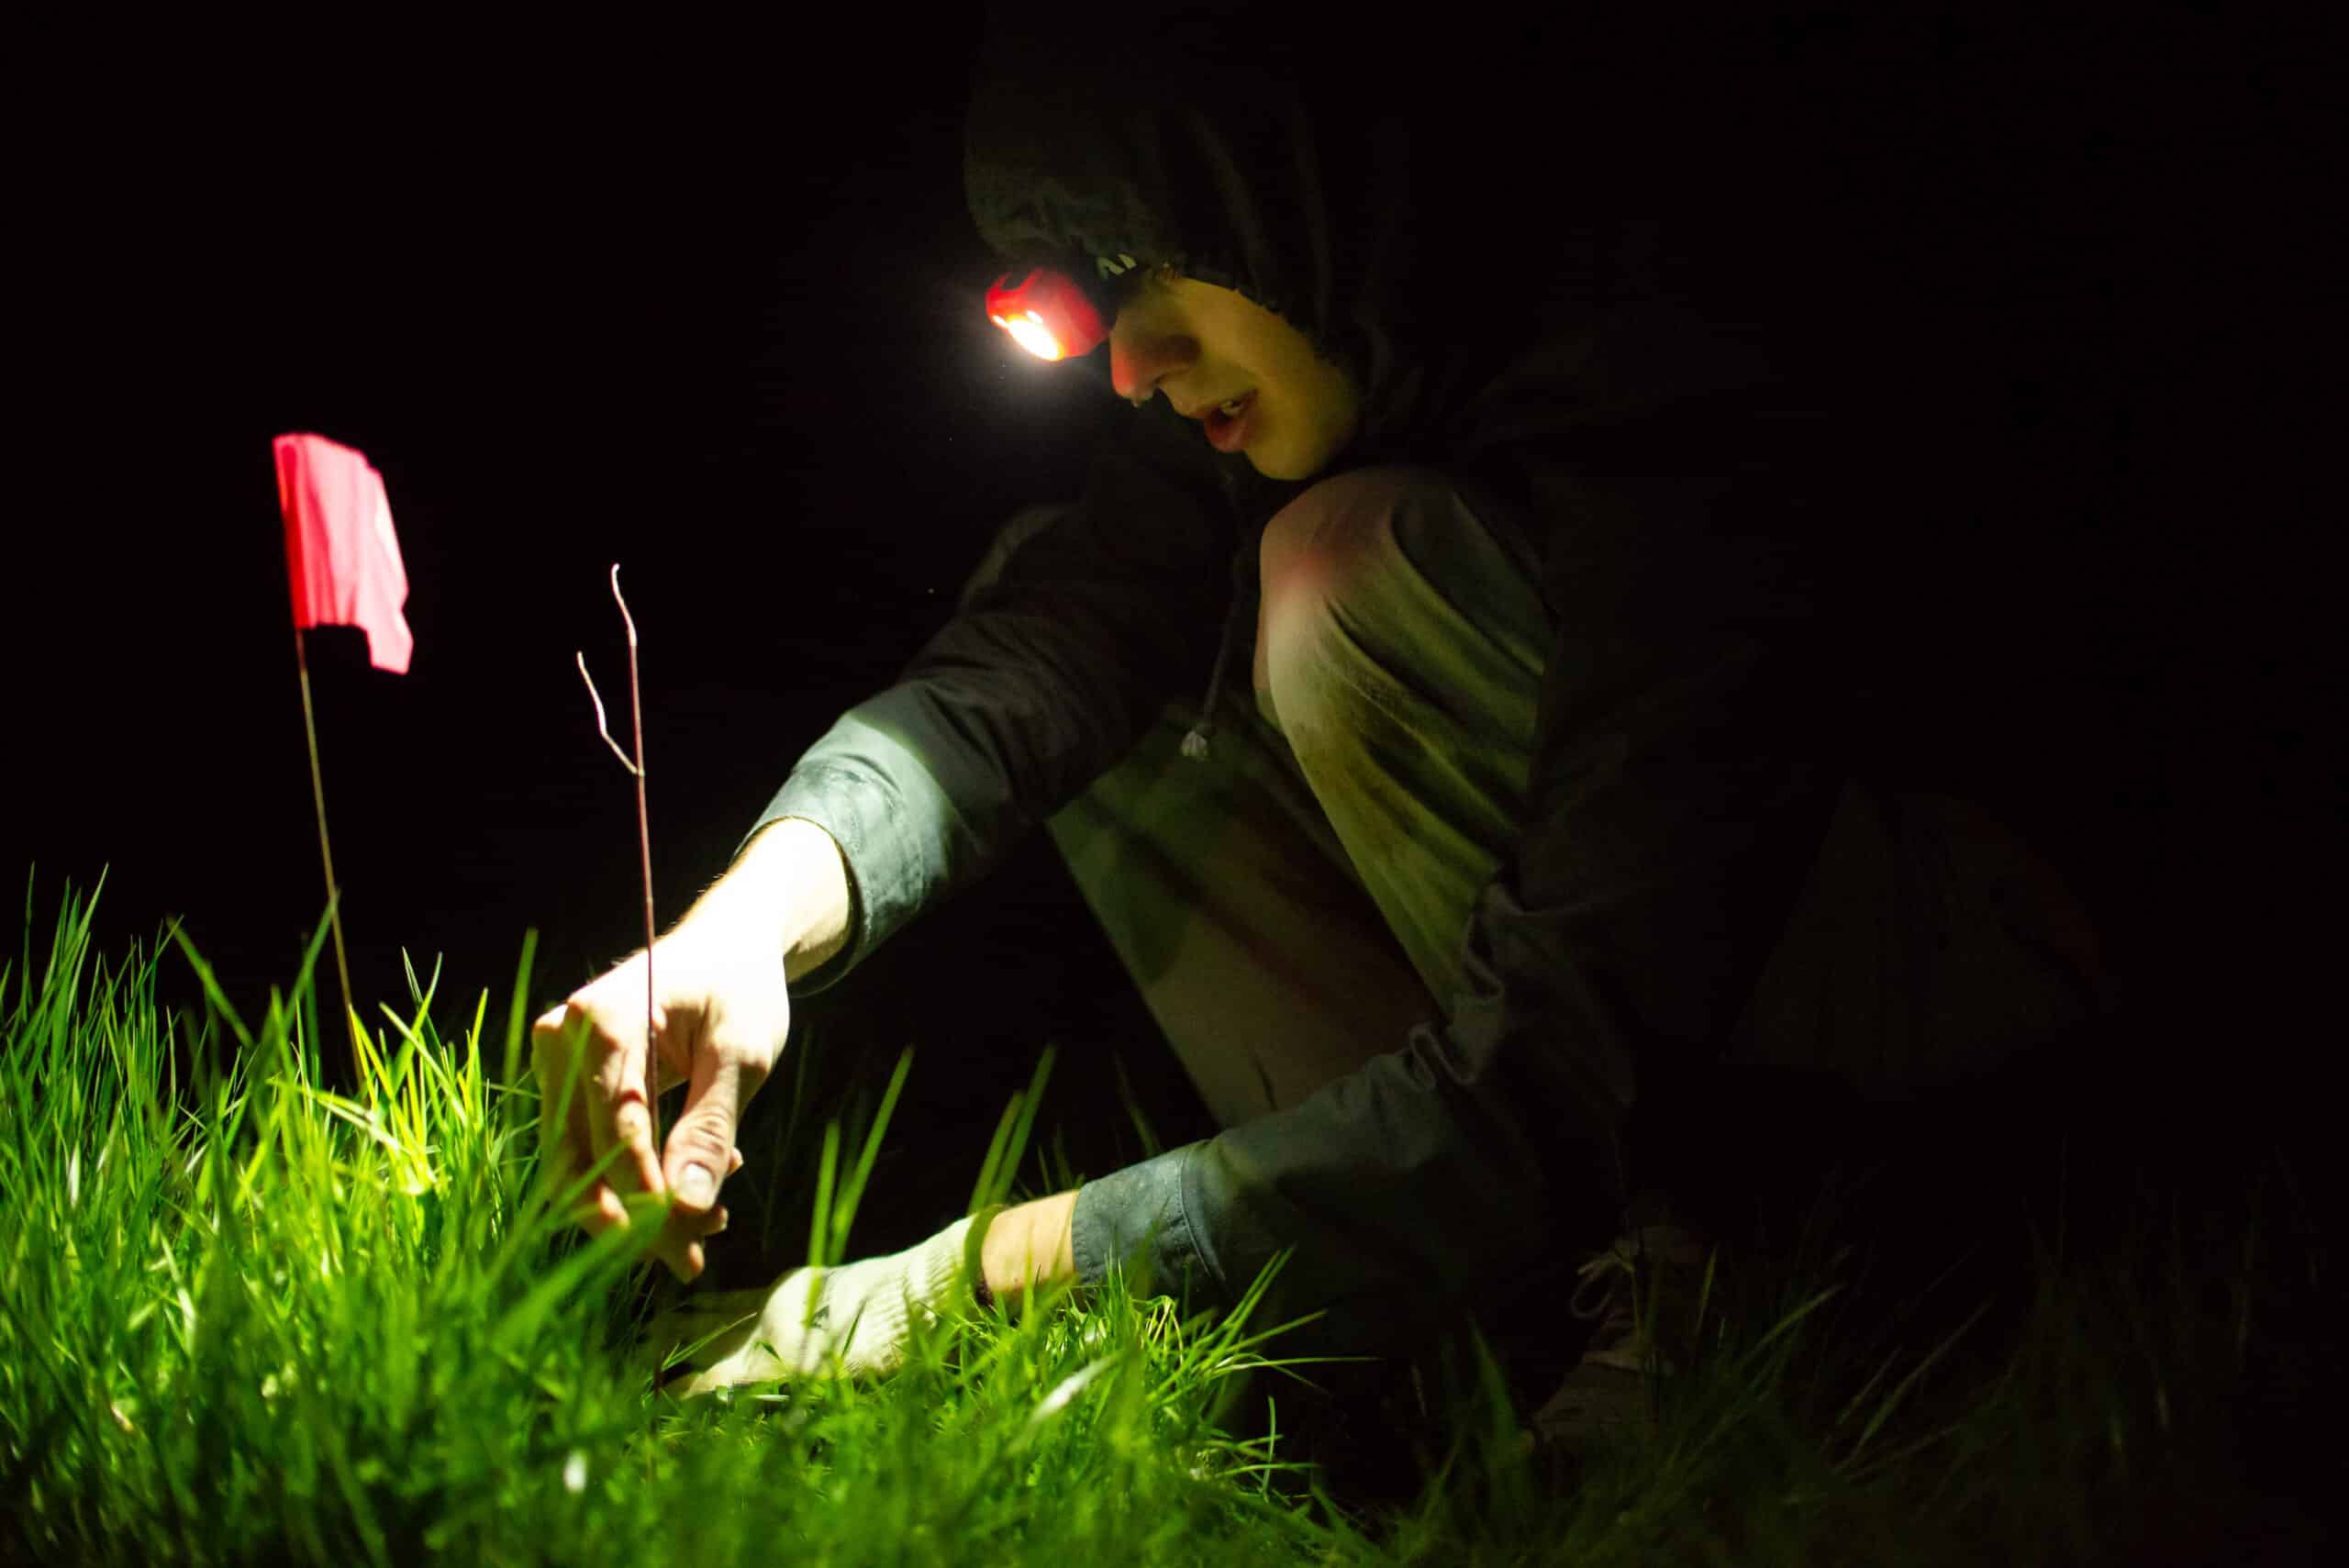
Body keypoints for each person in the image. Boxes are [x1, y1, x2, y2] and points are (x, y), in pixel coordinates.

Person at [534, 6, 2127, 1456]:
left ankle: (1767, 1266)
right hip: (1597, 1055)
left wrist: (950, 1286)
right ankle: (1491, 1303)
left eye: (1148, 274)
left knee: (1340, 577)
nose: (1132, 369)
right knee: (1103, 688)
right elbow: (1036, 661)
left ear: (1281, 184)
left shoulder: (1673, 353)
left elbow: (1563, 1046)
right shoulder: (1333, 332)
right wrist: (746, 926)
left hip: (1966, 995)